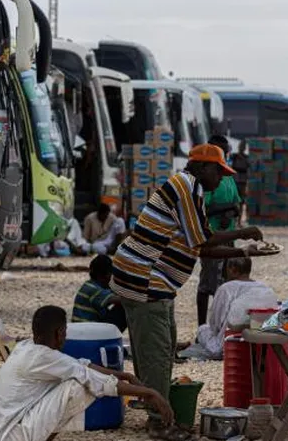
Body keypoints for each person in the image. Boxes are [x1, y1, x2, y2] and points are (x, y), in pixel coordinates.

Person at [110, 144, 271, 440]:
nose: (221, 179)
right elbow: (205, 241)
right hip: (146, 280)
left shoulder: (189, 189)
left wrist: (244, 250)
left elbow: (201, 248)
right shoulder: (187, 186)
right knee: (157, 352)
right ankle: (160, 424)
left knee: (158, 347)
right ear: (202, 167)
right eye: (219, 172)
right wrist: (242, 233)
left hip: (145, 279)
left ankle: (157, 411)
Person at [0, 306, 172, 441]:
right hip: (13, 435)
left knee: (79, 377)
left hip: (7, 430)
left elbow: (79, 365)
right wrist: (150, 393)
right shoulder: (43, 357)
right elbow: (87, 376)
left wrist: (124, 376)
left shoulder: (26, 347)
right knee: (79, 385)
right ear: (60, 333)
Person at [197, 135, 242, 327]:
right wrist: (225, 210)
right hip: (212, 238)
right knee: (209, 284)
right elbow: (202, 208)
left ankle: (221, 325)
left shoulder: (228, 176)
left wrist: (232, 212)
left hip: (228, 235)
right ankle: (204, 326)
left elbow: (237, 204)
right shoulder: (206, 179)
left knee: (227, 282)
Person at [195, 257, 278, 358]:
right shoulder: (266, 289)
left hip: (230, 343)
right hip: (263, 340)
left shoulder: (226, 288)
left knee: (202, 329)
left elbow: (215, 323)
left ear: (232, 269)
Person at [71, 255, 127, 333]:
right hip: (89, 332)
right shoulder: (94, 289)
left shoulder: (90, 285)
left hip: (84, 330)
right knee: (125, 307)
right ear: (106, 276)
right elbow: (120, 300)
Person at [230, 139, 249, 223]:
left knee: (241, 202)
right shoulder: (234, 157)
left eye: (243, 146)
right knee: (234, 202)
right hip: (235, 182)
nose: (242, 148)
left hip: (243, 183)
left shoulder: (246, 158)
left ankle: (239, 221)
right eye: (241, 146)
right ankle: (234, 220)